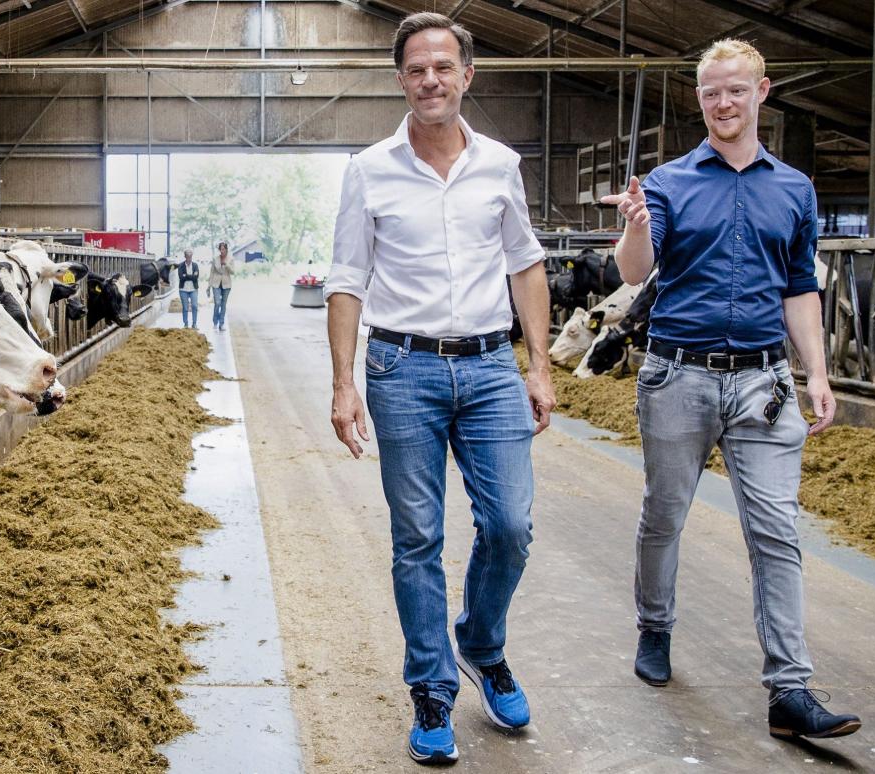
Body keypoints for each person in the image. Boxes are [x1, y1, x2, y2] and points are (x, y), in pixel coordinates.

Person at [602, 38, 861, 741]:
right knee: (664, 515)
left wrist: (817, 372)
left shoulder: (794, 188)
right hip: (676, 373)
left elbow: (800, 288)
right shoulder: (669, 182)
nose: (723, 102)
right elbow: (634, 272)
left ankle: (790, 688)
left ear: (761, 92)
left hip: (764, 382)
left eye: (735, 90)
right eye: (711, 91)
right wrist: (633, 225)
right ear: (699, 98)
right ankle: (654, 627)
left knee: (776, 531)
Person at [325, 12, 555, 766]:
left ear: (467, 75)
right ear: (401, 80)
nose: (431, 80)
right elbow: (348, 279)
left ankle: (481, 645)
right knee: (417, 538)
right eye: (417, 69)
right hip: (401, 370)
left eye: (443, 67)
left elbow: (525, 263)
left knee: (511, 526)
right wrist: (343, 384)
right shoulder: (370, 168)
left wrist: (540, 365)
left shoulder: (500, 164)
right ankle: (431, 688)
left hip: (491, 367)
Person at [207, 241, 234, 331]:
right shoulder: (215, 259)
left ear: (226, 249)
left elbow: (233, 272)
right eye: (220, 249)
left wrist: (227, 266)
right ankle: (215, 321)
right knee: (217, 303)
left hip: (226, 284)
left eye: (223, 249)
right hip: (216, 283)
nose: (221, 251)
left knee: (223, 304)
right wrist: (209, 286)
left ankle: (221, 324)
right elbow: (212, 272)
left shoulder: (230, 259)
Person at [177, 249, 200, 329]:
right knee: (185, 307)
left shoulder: (195, 265)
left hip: (193, 289)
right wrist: (191, 276)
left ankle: (194, 324)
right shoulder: (180, 266)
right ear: (185, 256)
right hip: (183, 289)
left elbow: (196, 277)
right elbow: (181, 277)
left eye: (190, 257)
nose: (189, 258)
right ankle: (186, 324)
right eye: (188, 257)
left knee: (194, 306)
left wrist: (186, 275)